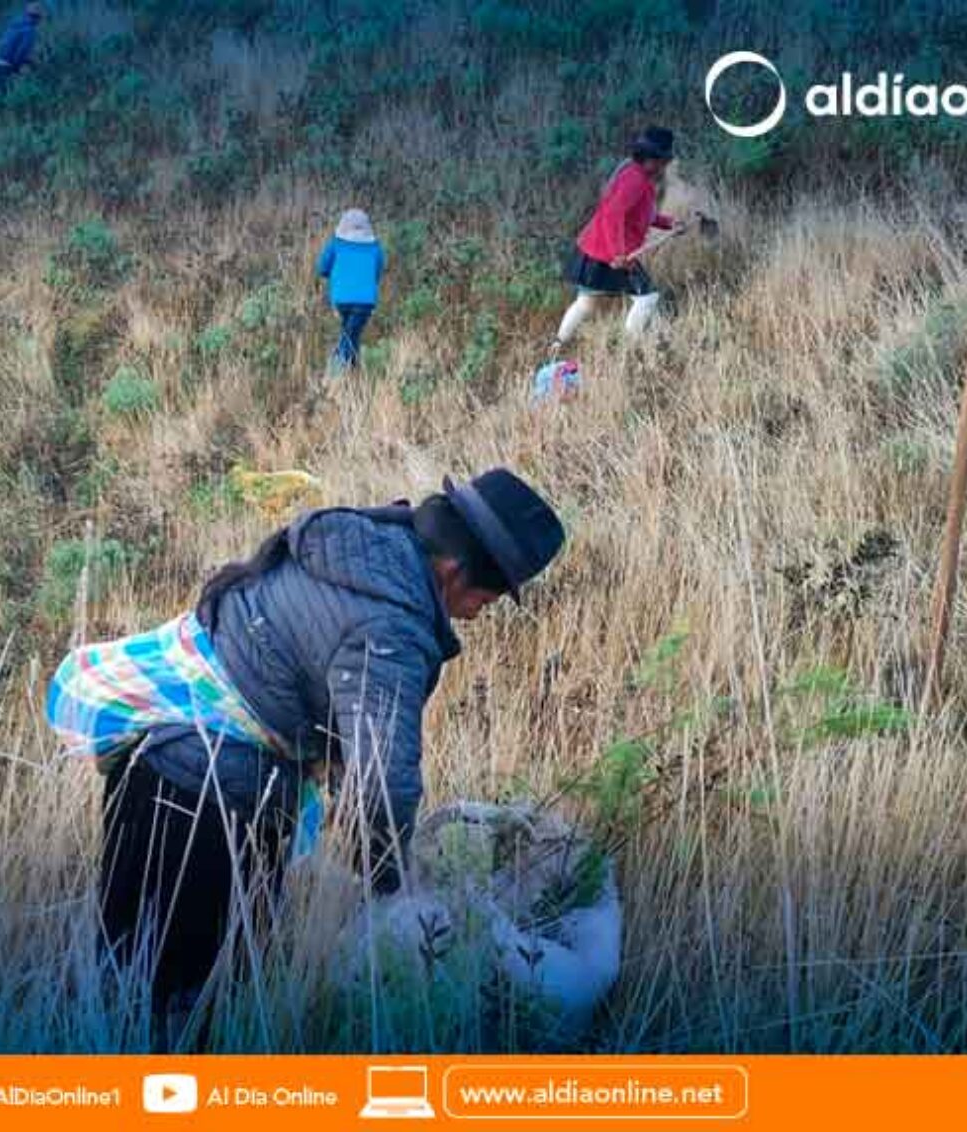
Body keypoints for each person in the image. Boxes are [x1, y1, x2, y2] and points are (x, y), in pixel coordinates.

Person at [47, 468, 565, 1031]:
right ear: (453, 572)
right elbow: (384, 783)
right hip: (212, 806)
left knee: (118, 973)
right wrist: (391, 888)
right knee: (190, 1009)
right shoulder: (393, 625)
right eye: (484, 602)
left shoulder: (361, 545)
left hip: (154, 759)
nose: (475, 616)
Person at [553, 126, 698, 349]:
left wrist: (669, 223)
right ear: (650, 159)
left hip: (594, 249)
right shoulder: (635, 180)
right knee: (647, 299)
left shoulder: (635, 174)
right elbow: (613, 215)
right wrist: (618, 254)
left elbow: (639, 215)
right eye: (662, 162)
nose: (664, 167)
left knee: (587, 302)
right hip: (610, 253)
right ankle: (631, 350)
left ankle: (557, 345)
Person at [315, 208, 385, 372]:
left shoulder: (335, 244)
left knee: (349, 335)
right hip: (365, 302)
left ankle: (339, 377)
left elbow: (322, 268)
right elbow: (378, 270)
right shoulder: (375, 247)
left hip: (341, 300)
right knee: (351, 335)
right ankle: (344, 374)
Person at [0, 1, 45, 97]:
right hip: (5, 62)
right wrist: (17, 67)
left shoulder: (16, 23)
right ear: (37, 18)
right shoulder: (29, 30)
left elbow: (11, 45)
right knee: (6, 94)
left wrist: (28, 62)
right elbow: (21, 52)